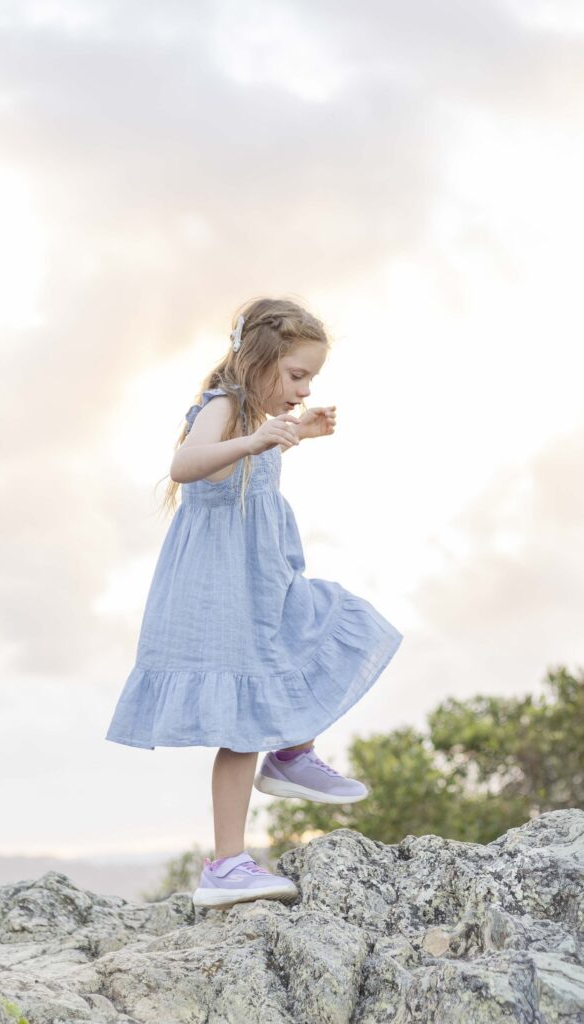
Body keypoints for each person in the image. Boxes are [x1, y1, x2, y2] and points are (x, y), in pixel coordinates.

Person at [105, 296, 404, 910]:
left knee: (335, 628)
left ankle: (291, 752)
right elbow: (185, 465)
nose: (303, 389)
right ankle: (226, 863)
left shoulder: (257, 422)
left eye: (311, 379)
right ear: (259, 363)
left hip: (267, 579)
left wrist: (293, 439)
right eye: (297, 376)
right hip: (221, 589)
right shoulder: (225, 405)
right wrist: (257, 439)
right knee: (240, 721)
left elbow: (246, 472)